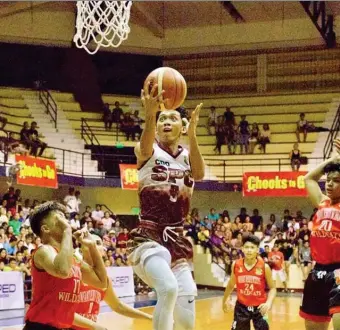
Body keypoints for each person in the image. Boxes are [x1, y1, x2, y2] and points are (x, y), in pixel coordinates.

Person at [128, 82, 205, 330]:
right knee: (168, 288)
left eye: (173, 117)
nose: (166, 121)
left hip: (178, 238)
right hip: (148, 236)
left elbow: (200, 174)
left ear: (182, 126)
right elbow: (145, 145)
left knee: (186, 312)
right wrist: (150, 114)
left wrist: (192, 134)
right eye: (162, 119)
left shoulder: (187, 156)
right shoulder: (146, 150)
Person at [24, 201, 108, 330]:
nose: (65, 221)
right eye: (59, 218)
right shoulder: (43, 251)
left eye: (64, 217)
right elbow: (63, 270)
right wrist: (67, 231)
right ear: (46, 228)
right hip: (39, 326)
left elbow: (102, 282)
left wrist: (92, 247)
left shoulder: (72, 258)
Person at [300, 138, 340, 329]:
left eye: (337, 181)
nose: (330, 184)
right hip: (318, 272)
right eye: (328, 180)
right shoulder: (322, 201)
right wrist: (333, 159)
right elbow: (308, 178)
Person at [72, 234, 152, 330]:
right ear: (83, 247)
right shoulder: (74, 271)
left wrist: (149, 317)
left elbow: (118, 306)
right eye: (95, 243)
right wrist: (94, 325)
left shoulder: (104, 280)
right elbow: (62, 312)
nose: (97, 246)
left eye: (98, 243)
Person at [222, 235, 276, 330]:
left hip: (260, 308)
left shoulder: (264, 267)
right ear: (242, 249)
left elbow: (273, 288)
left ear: (257, 250)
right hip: (241, 307)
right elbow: (231, 284)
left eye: (252, 247)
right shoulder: (236, 264)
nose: (249, 250)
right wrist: (224, 300)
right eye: (246, 247)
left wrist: (268, 303)